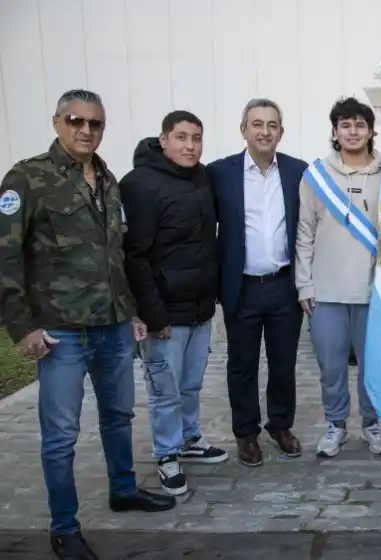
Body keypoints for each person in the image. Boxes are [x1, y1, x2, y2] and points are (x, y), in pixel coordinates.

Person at [0, 89, 175, 560]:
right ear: (57, 121)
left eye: (95, 123)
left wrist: (133, 311)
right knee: (60, 435)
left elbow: (114, 254)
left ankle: (123, 490)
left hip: (114, 326)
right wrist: (22, 328)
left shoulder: (107, 179)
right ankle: (64, 527)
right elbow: (6, 258)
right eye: (76, 120)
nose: (86, 130)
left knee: (119, 417)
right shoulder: (27, 178)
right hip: (61, 331)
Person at [120, 110, 226, 497]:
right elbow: (135, 256)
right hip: (164, 313)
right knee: (165, 388)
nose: (190, 145)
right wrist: (152, 313)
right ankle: (166, 454)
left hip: (199, 306)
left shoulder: (199, 178)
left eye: (196, 138)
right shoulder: (140, 184)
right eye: (181, 137)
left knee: (191, 383)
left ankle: (189, 438)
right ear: (163, 140)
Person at [207, 99, 306, 467]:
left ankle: (280, 425)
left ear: (281, 131)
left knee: (283, 362)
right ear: (243, 129)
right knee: (242, 364)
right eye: (257, 124)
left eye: (272, 125)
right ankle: (246, 433)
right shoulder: (220, 173)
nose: (264, 131)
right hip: (242, 286)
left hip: (284, 284)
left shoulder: (298, 171)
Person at [296, 96, 381, 458]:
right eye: (345, 125)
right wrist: (304, 284)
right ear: (335, 131)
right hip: (327, 291)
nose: (353, 131)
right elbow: (304, 232)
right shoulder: (316, 175)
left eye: (360, 125)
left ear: (370, 131)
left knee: (373, 366)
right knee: (331, 366)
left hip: (375, 291)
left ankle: (372, 423)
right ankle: (336, 424)